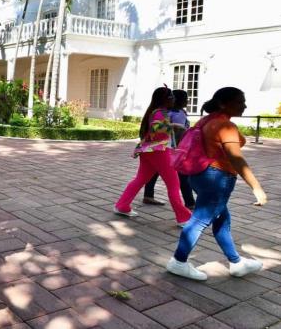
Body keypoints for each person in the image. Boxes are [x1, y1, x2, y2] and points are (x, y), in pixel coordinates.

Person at [167, 87, 268, 280]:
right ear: (223, 103)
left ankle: (236, 262)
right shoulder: (225, 126)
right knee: (200, 220)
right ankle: (178, 262)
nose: (244, 105)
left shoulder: (208, 120)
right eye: (239, 101)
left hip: (200, 176)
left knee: (221, 220)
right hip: (217, 178)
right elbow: (237, 159)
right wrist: (257, 188)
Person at [114, 87, 192, 226]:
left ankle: (122, 206)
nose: (174, 99)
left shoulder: (156, 111)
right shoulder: (160, 112)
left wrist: (172, 125)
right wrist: (173, 126)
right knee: (173, 185)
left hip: (149, 151)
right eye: (172, 97)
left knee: (140, 179)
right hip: (159, 151)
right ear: (166, 99)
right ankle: (184, 218)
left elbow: (154, 128)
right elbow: (156, 129)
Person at [142, 89, 196, 209]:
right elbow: (160, 129)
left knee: (154, 171)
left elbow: (184, 127)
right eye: (186, 98)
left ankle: (148, 195)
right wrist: (174, 127)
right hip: (170, 148)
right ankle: (190, 203)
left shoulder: (182, 112)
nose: (188, 100)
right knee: (181, 176)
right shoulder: (167, 113)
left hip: (179, 147)